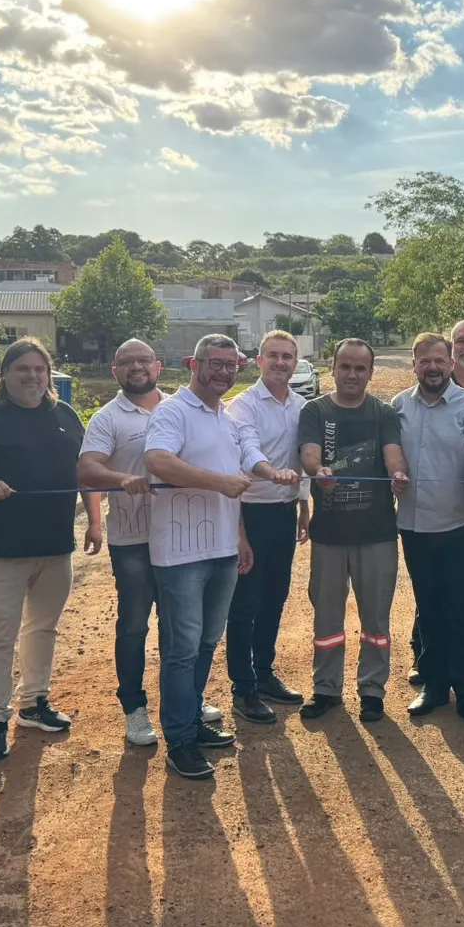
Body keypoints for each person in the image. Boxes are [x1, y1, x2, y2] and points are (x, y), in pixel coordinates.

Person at [144, 334, 297, 780]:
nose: (224, 372)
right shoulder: (173, 411)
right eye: (216, 363)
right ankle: (180, 740)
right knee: (181, 650)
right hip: (180, 553)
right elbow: (157, 460)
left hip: (222, 549)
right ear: (195, 363)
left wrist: (272, 475)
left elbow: (251, 457)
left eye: (232, 365)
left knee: (207, 643)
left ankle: (191, 721)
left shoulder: (228, 418)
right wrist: (219, 483)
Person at [0, 338, 92, 763]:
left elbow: (87, 467)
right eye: (22, 369)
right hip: (0, 547)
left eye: (39, 369)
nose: (31, 376)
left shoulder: (65, 416)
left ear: (48, 375)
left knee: (43, 628)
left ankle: (33, 703)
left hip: (54, 545)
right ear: (5, 374)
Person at [298, 338, 409, 724]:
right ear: (333, 368)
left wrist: (397, 473)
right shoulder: (315, 410)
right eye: (345, 366)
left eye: (360, 368)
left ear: (370, 373)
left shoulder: (383, 412)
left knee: (376, 620)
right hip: (329, 534)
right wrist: (317, 470)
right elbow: (309, 452)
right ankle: (325, 688)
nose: (352, 374)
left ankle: (372, 690)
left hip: (376, 533)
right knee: (326, 619)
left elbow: (393, 451)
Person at [394, 333, 464, 729]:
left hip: (459, 524)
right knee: (429, 608)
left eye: (440, 360)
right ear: (415, 365)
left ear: (451, 364)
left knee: (463, 611)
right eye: (425, 361)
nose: (433, 367)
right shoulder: (400, 404)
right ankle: (434, 685)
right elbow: (391, 455)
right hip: (415, 526)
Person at [76, 339, 163, 749]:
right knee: (133, 624)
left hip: (182, 537)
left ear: (157, 366)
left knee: (182, 625)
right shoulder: (107, 419)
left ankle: (186, 701)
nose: (136, 367)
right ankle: (134, 707)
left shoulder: (180, 408)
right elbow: (88, 469)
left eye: (143, 360)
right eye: (126, 361)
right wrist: (122, 480)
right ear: (115, 371)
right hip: (131, 539)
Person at [224, 331, 312, 725]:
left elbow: (305, 458)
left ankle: (264, 673)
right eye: (273, 356)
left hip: (284, 511)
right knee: (245, 603)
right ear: (258, 361)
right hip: (250, 512)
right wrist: (269, 473)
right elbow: (247, 450)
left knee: (275, 597)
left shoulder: (301, 407)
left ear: (296, 363)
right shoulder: (242, 407)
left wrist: (305, 505)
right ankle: (243, 687)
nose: (281, 363)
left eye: (288, 357)